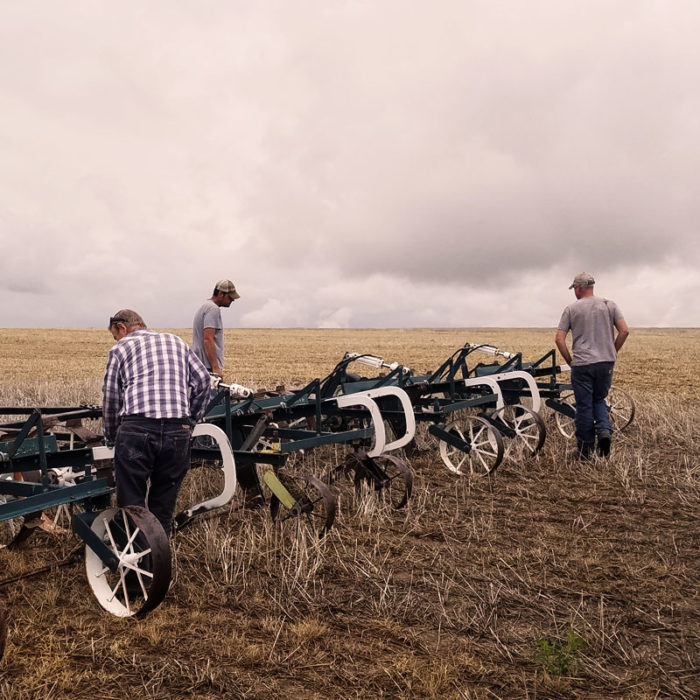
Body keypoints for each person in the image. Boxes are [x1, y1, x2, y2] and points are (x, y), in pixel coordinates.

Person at [102, 309, 211, 535]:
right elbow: (203, 382)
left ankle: (137, 565)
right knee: (163, 506)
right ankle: (157, 562)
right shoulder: (176, 342)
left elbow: (111, 398)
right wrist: (190, 422)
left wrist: (111, 438)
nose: (116, 340)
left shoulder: (120, 348)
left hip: (137, 431)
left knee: (133, 504)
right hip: (177, 432)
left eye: (115, 335)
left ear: (121, 327)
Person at [555, 273, 629, 459]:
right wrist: (612, 351)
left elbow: (559, 339)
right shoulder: (609, 304)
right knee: (599, 399)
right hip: (605, 363)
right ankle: (604, 431)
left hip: (582, 364)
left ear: (578, 288)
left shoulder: (571, 309)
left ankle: (584, 450)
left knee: (584, 406)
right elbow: (624, 331)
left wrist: (570, 361)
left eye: (575, 289)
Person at [192, 280, 240, 382]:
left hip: (200, 364)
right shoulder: (213, 309)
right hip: (208, 367)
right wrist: (216, 368)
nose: (232, 300)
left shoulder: (205, 306)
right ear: (221, 294)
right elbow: (208, 339)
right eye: (230, 297)